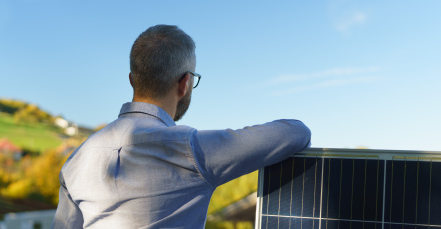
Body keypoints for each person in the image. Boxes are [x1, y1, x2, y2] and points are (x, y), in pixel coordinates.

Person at [52, 24, 311, 228]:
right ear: (184, 83)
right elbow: (296, 133)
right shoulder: (191, 151)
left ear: (132, 80)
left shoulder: (77, 160)